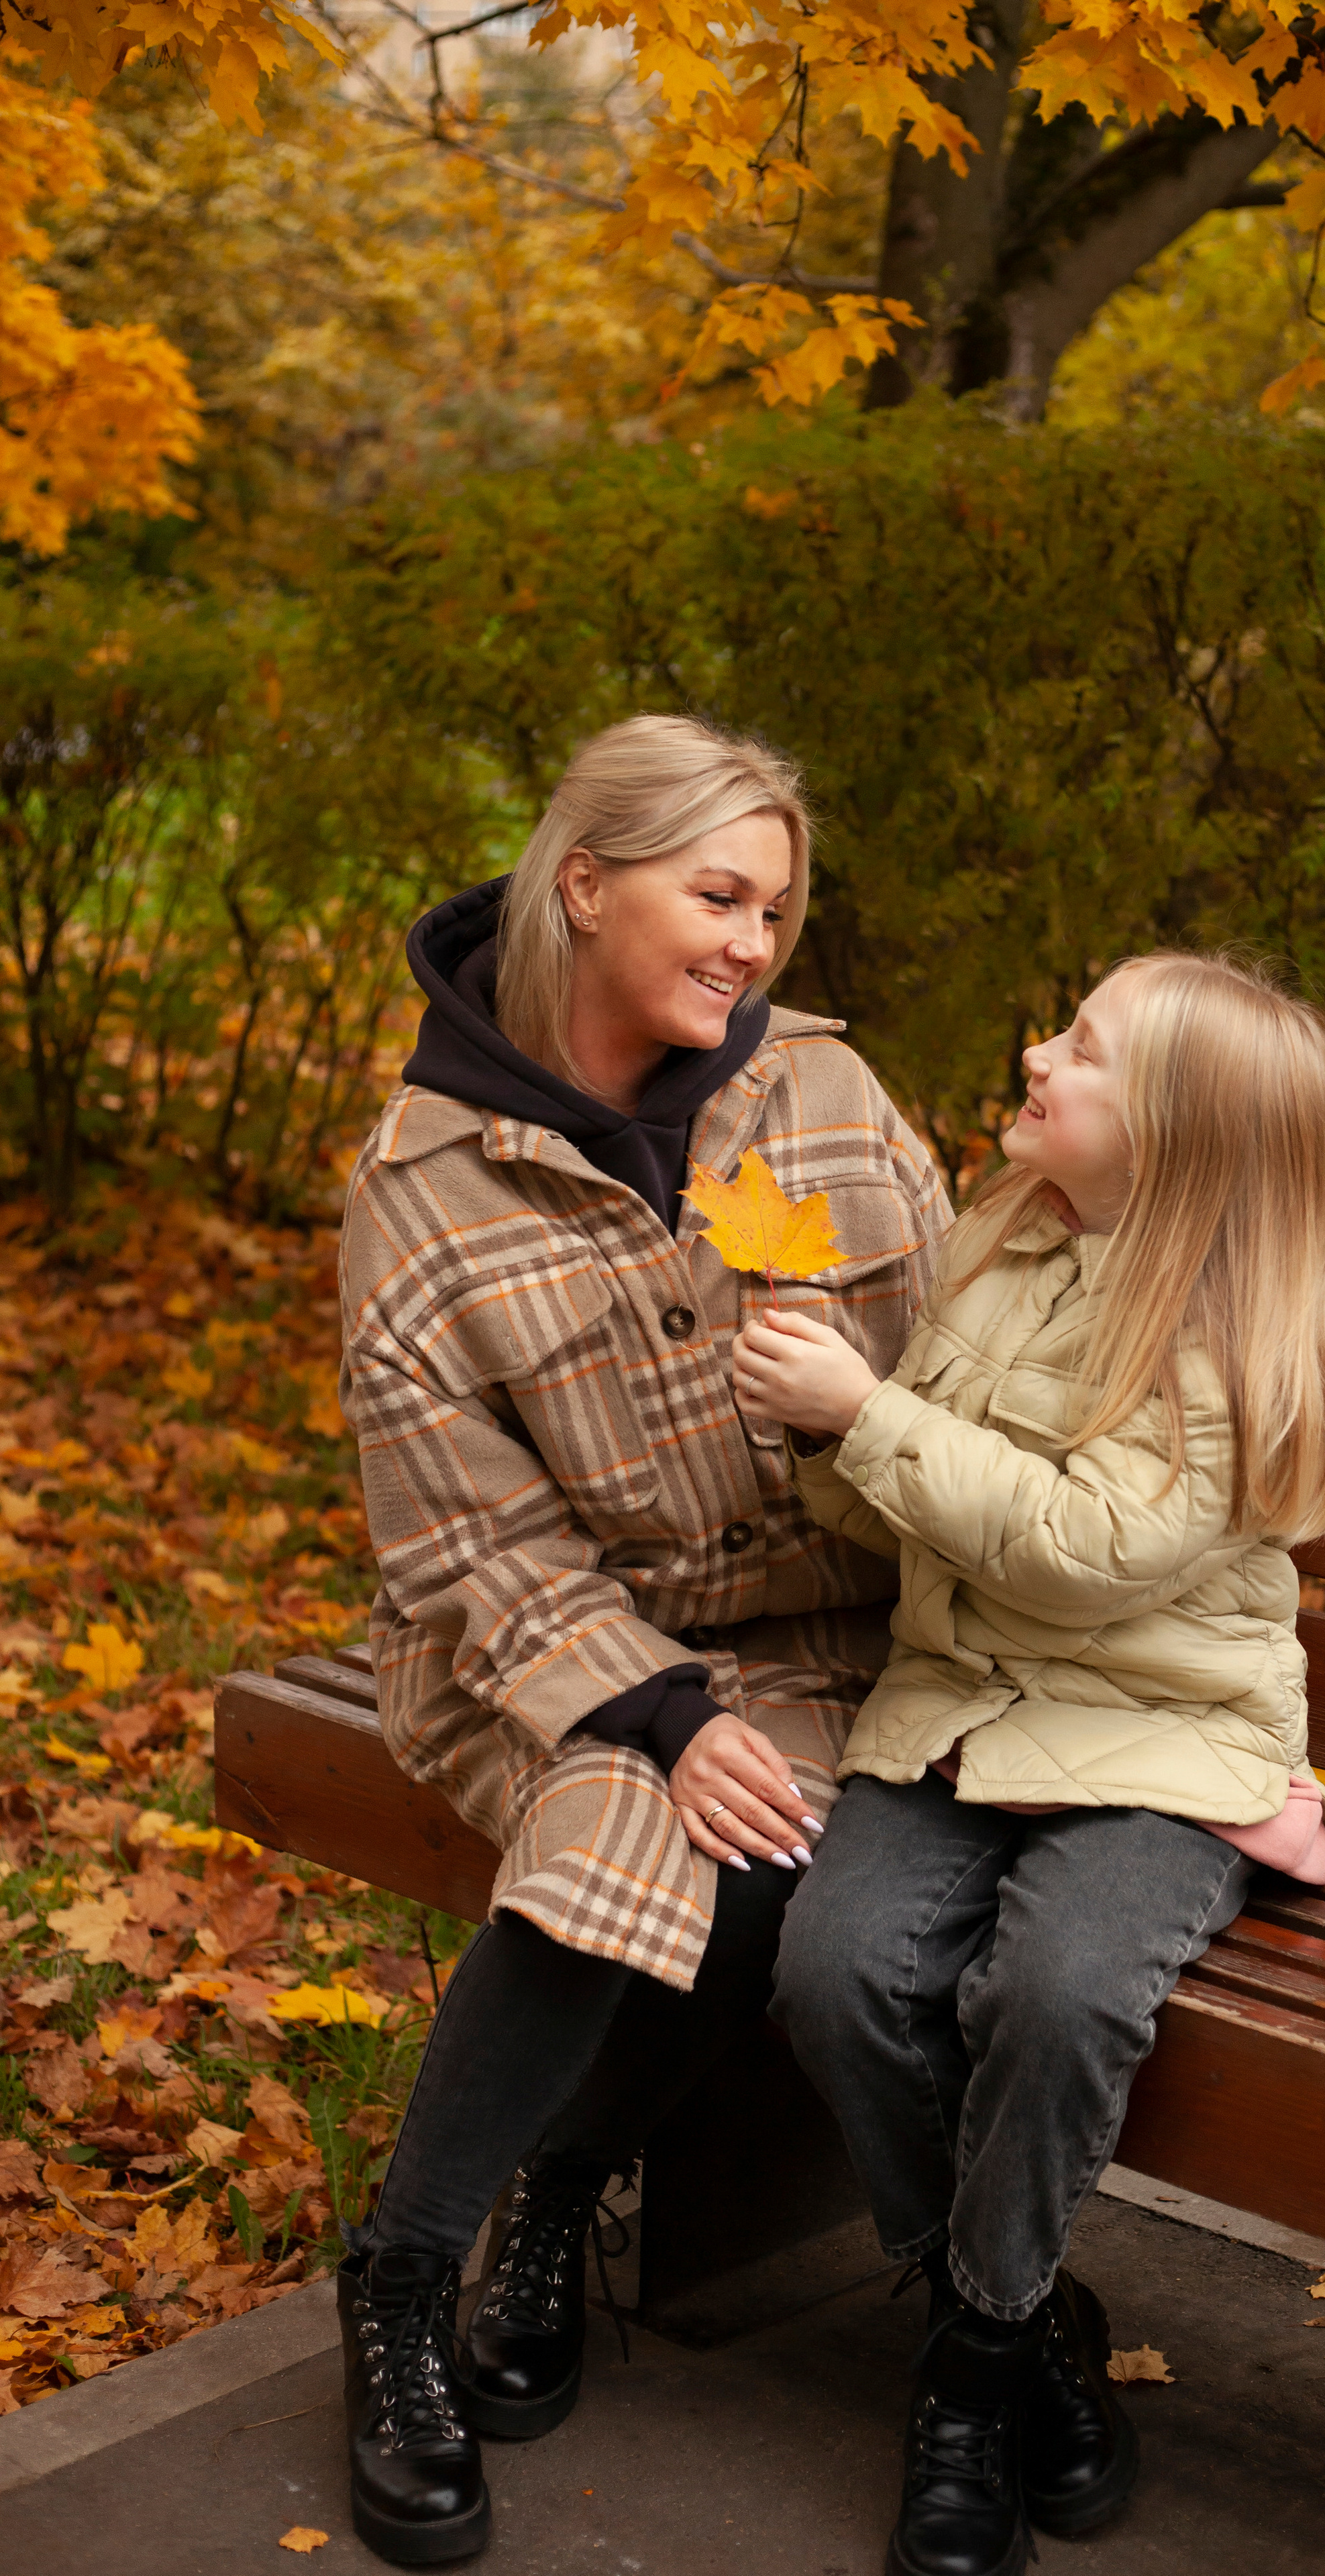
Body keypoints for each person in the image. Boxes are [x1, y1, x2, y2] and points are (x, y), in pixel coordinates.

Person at [336, 712, 951, 2566]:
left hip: (838, 1638)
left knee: (783, 1851)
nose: (755, 946)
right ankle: (400, 2284)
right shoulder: (427, 1191)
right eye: (719, 896)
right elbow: (468, 1536)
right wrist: (663, 1712)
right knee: (633, 1822)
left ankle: (571, 2182)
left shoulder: (827, 1103)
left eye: (775, 909)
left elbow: (968, 1364)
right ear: (586, 884)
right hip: (552, 1653)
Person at [733, 951, 1325, 2576]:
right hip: (958, 1706)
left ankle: (974, 2375)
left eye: (1076, 1048)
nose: (1034, 1052)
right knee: (835, 1966)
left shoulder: (1229, 1335)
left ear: (1168, 1137)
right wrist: (824, 1437)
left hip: (1160, 1744)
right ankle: (1030, 2338)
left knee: (1059, 1989)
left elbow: (1088, 1556)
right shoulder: (999, 1240)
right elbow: (909, 1512)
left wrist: (865, 1415)